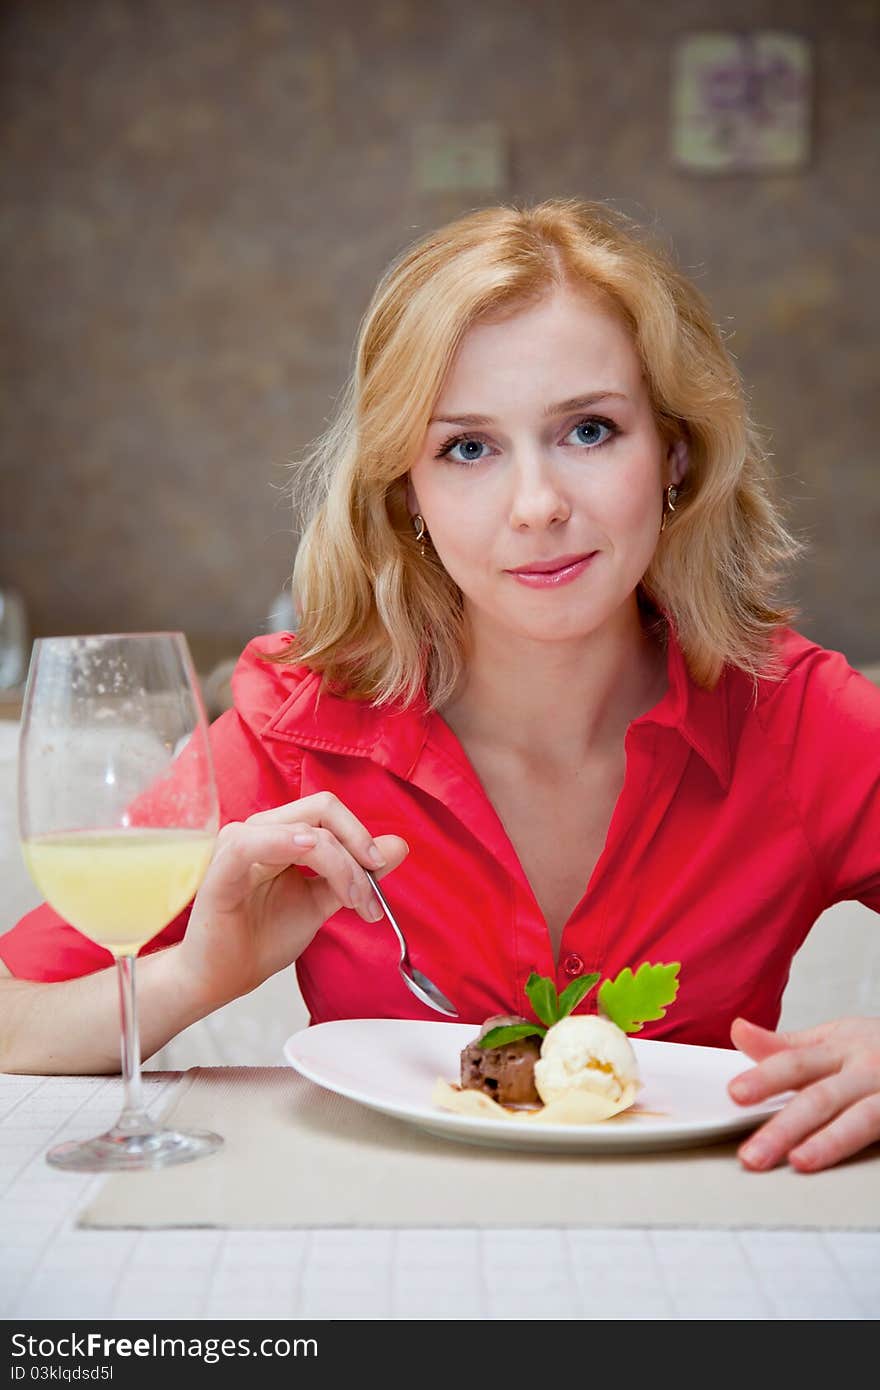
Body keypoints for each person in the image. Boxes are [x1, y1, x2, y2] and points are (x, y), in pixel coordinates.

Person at [1, 198, 878, 1173]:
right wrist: (197, 975)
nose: (538, 505)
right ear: (404, 493)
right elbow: (9, 1018)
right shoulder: (295, 729)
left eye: (588, 430)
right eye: (467, 448)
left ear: (674, 452)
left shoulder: (800, 718)